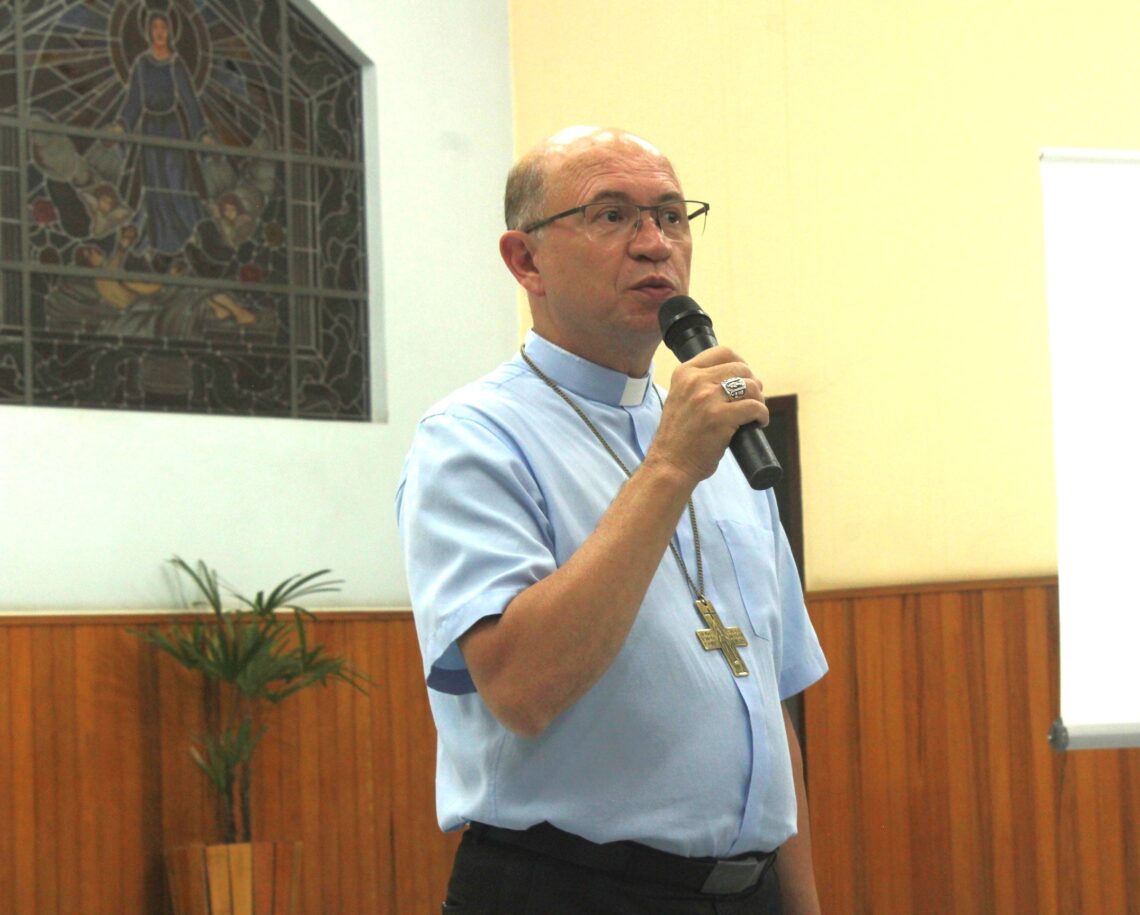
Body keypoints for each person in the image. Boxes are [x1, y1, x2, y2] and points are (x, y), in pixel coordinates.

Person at [396, 126, 828, 914]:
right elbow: (523, 688)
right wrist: (667, 469)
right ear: (525, 261)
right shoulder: (472, 439)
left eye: (670, 214)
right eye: (612, 215)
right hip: (568, 889)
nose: (654, 243)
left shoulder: (721, 436)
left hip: (749, 889)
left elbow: (768, 706)